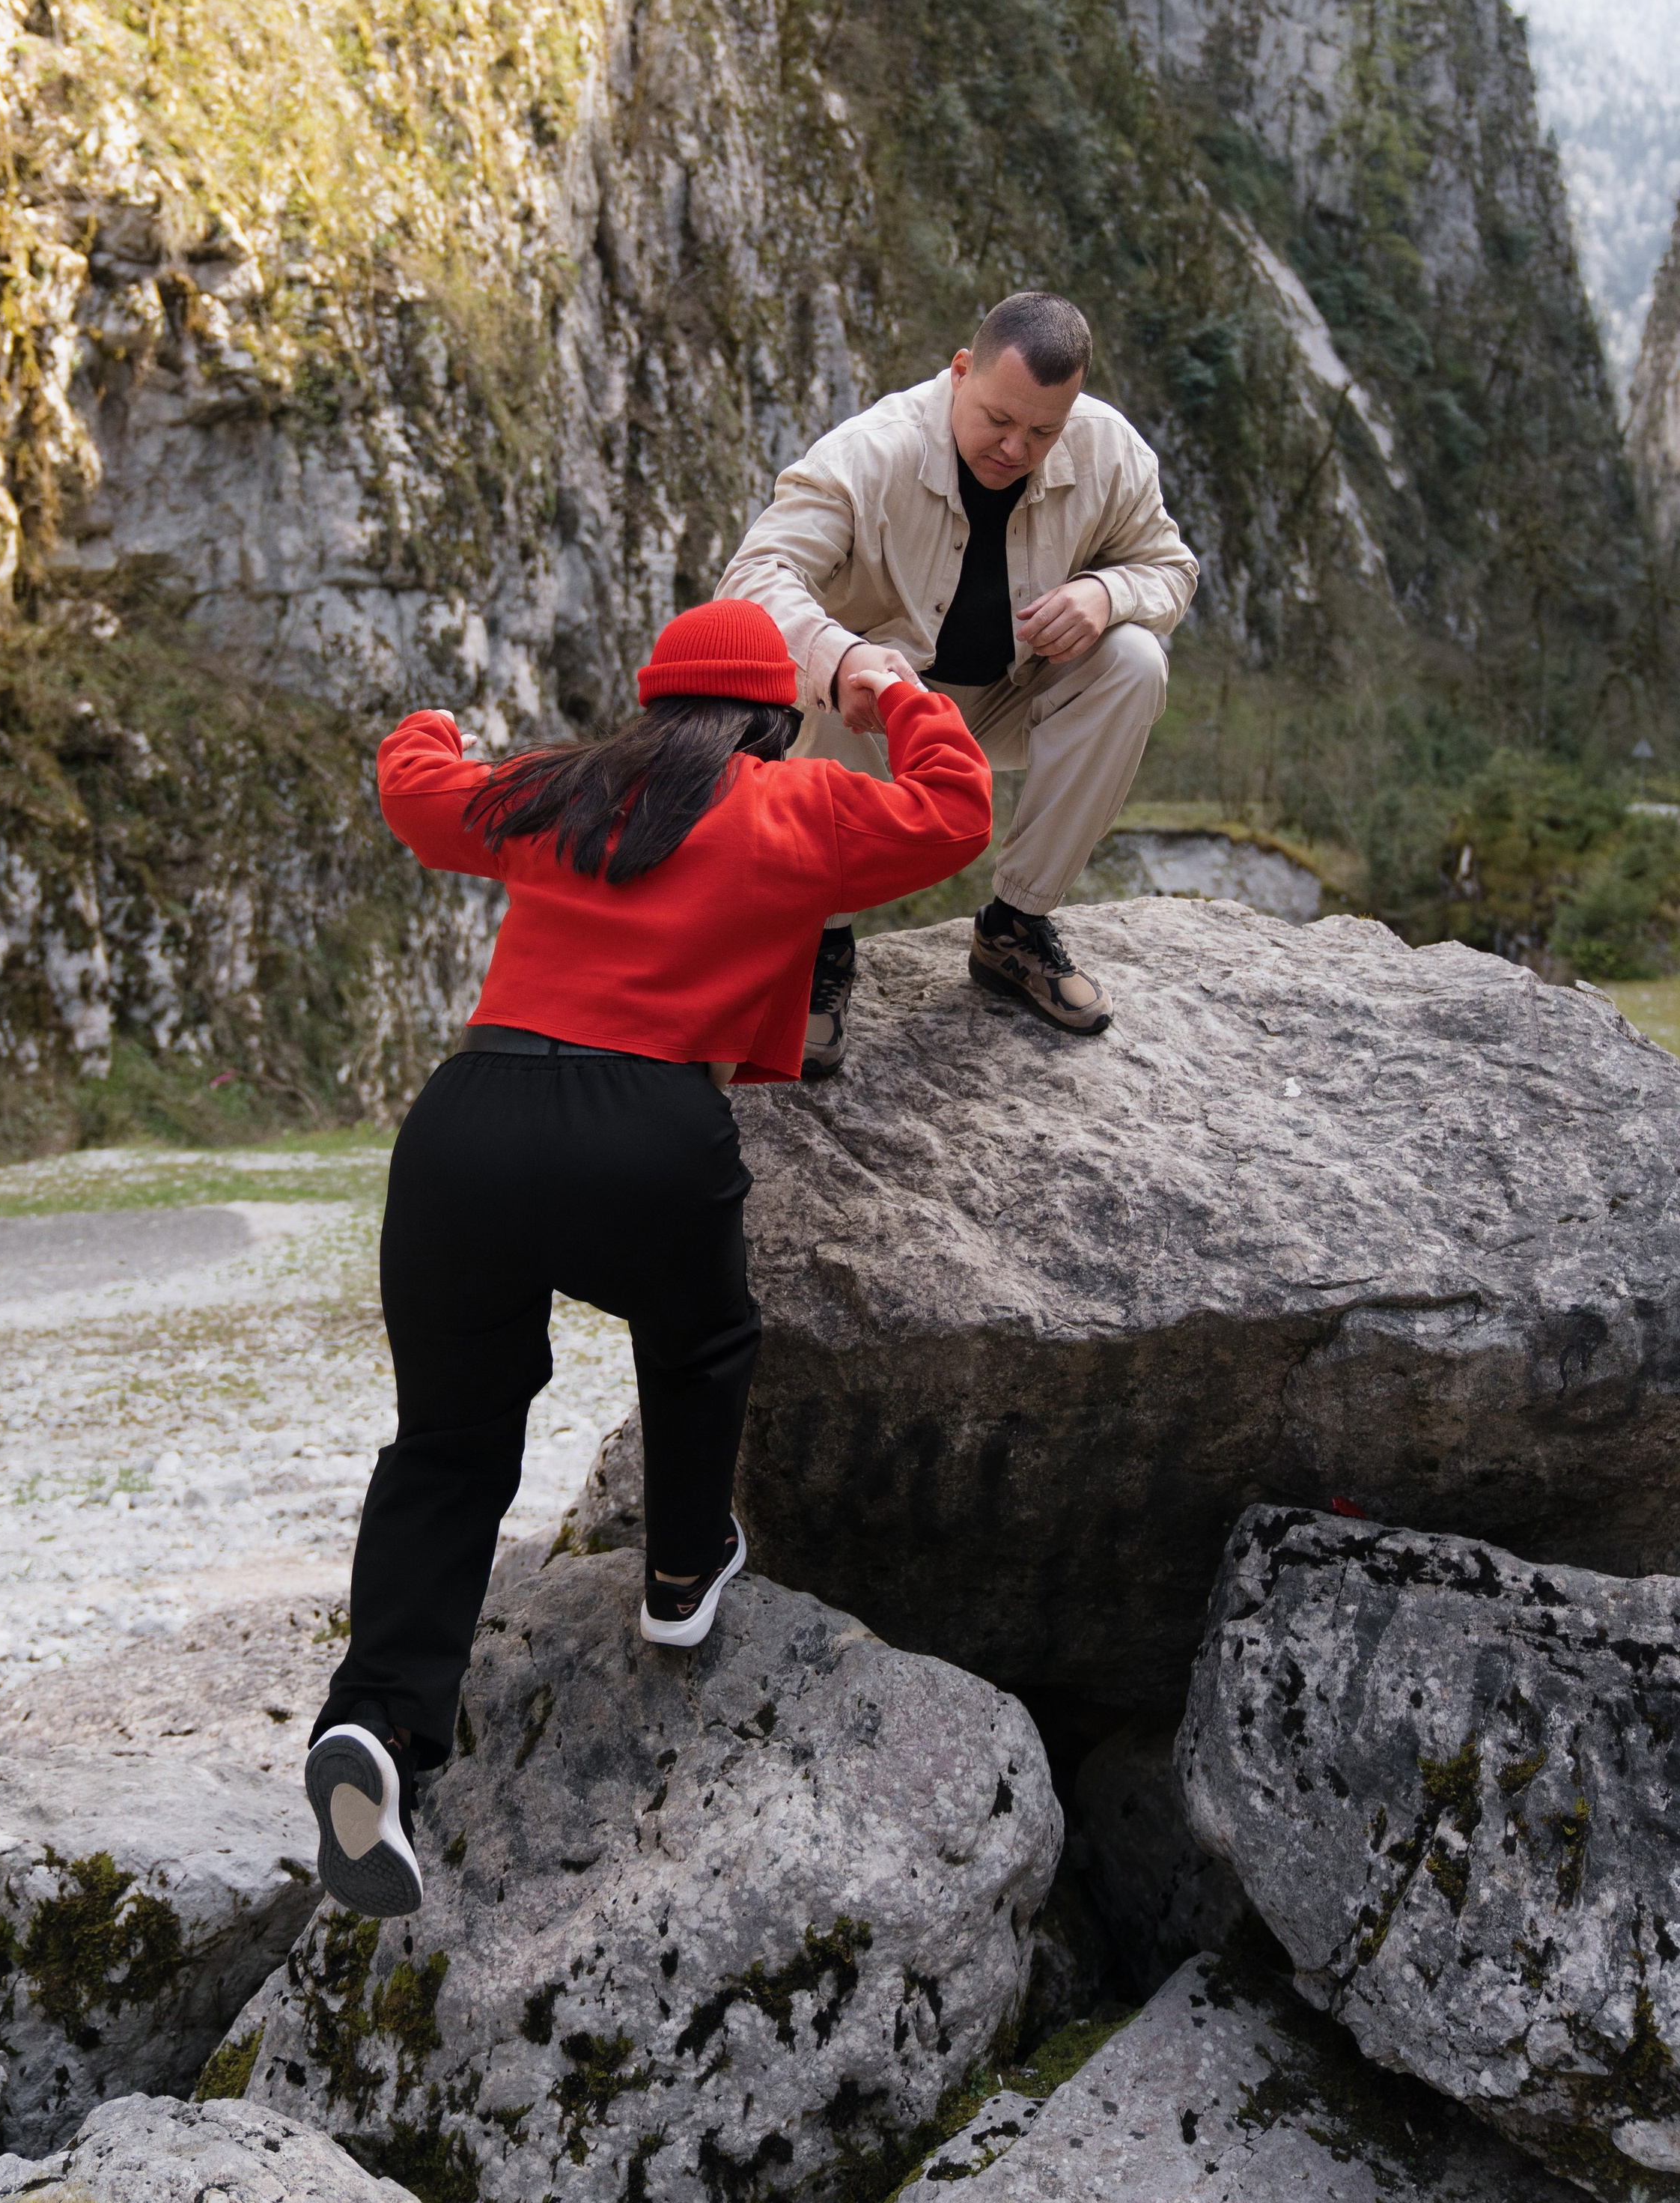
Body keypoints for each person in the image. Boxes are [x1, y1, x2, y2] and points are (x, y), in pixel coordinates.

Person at [302, 596, 992, 1919]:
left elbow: (415, 789)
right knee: (700, 1335)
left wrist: (431, 718)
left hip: (470, 1125)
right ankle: (682, 1569)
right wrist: (896, 693)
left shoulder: (560, 788)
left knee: (447, 1447)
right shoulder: (793, 804)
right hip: (646, 1126)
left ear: (650, 704)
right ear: (769, 719)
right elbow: (955, 810)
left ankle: (378, 1727)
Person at [717, 291, 1196, 1072]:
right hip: (875, 714)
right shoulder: (870, 452)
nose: (1015, 448)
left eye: (1043, 431)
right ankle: (821, 943)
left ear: (1071, 409)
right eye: (998, 420)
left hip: (1015, 697)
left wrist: (1107, 594)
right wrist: (839, 659)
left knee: (1136, 657)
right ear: (960, 371)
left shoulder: (1110, 450)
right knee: (847, 664)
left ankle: (1015, 926)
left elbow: (1170, 569)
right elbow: (750, 578)